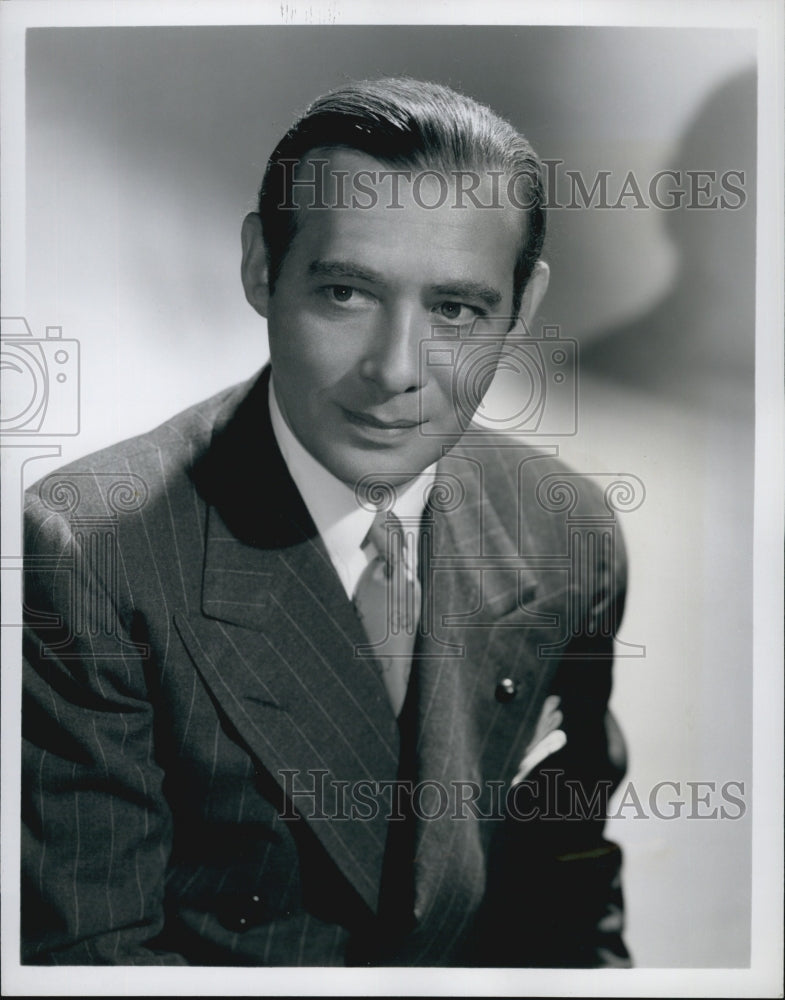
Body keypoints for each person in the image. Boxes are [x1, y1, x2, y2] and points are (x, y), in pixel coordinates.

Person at [22, 77, 631, 967]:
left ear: (522, 310)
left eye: (456, 310)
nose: (394, 370)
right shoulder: (90, 554)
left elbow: (568, 915)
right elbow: (87, 961)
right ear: (261, 269)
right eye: (345, 293)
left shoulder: (564, 527)